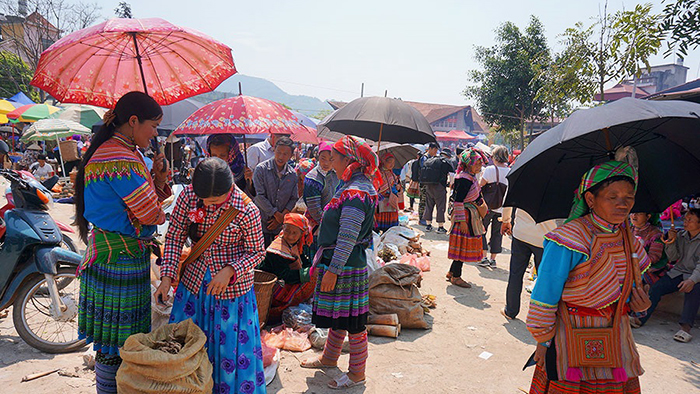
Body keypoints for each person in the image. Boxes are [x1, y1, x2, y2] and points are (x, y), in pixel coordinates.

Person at [526, 161, 651, 394]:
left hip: (617, 337)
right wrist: (543, 341)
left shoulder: (628, 239)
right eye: (612, 197)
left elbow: (632, 290)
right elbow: (545, 293)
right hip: (570, 335)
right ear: (591, 199)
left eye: (629, 197)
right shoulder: (569, 239)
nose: (622, 204)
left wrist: (640, 304)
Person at [74, 92, 171, 394]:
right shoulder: (121, 160)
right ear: (133, 122)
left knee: (110, 340)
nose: (155, 133)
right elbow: (152, 213)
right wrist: (157, 187)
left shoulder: (107, 151)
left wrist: (155, 177)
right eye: (153, 125)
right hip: (121, 262)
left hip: (107, 256)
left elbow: (140, 207)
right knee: (122, 341)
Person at [155, 157, 266, 393]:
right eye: (205, 200)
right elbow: (174, 237)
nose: (210, 204)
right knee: (185, 347)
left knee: (228, 353)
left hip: (231, 293)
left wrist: (231, 270)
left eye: (216, 200)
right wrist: (166, 278)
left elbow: (257, 252)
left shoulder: (246, 209)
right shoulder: (187, 197)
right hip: (193, 286)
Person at [300, 136, 379, 389]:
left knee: (353, 322)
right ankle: (329, 358)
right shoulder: (351, 184)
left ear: (348, 160)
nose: (330, 161)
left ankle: (357, 373)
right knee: (340, 315)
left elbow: (348, 236)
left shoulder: (356, 191)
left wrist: (334, 269)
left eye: (334, 157)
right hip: (340, 262)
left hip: (345, 265)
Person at [638, 209, 700, 343]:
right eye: (685, 219)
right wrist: (671, 242)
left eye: (690, 220)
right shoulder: (681, 235)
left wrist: (691, 280)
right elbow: (673, 257)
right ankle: (640, 318)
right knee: (657, 287)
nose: (685, 222)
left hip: (696, 275)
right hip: (678, 272)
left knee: (693, 292)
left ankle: (685, 328)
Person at [500, 207, 558, 320]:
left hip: (521, 233)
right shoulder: (559, 189)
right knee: (543, 279)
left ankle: (511, 310)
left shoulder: (523, 187)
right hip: (545, 238)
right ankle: (539, 316)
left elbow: (509, 201)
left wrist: (506, 220)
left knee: (515, 274)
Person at [257, 213, 316, 320]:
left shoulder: (295, 245)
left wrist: (310, 269)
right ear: (283, 229)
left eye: (294, 233)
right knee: (312, 278)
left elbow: (304, 261)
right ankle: (276, 311)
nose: (290, 235)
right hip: (270, 287)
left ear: (301, 235)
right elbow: (285, 276)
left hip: (281, 281)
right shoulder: (277, 250)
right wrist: (308, 273)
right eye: (287, 231)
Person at [446, 148, 488, 288]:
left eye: (480, 163)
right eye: (476, 163)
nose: (479, 166)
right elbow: (458, 201)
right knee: (462, 247)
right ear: (468, 164)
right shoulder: (465, 179)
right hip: (464, 216)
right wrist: (462, 221)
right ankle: (456, 277)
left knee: (461, 246)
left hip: (468, 215)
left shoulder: (469, 176)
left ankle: (452, 272)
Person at [253, 136, 298, 247]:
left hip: (280, 226)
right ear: (274, 150)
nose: (281, 156)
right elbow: (259, 196)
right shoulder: (261, 169)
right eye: (279, 152)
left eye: (285, 154)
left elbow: (293, 198)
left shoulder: (292, 175)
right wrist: (275, 213)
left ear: (291, 155)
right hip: (261, 222)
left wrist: (280, 218)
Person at [478, 145, 510, 268]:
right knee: (497, 233)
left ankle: (484, 256)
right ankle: (493, 260)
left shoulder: (490, 170)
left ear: (495, 157)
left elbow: (481, 185)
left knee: (482, 230)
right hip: (502, 209)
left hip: (488, 206)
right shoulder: (510, 171)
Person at [303, 141, 339, 230]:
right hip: (317, 225)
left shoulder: (336, 174)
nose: (326, 163)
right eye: (323, 158)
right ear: (318, 157)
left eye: (331, 159)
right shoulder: (312, 179)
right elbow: (315, 211)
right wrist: (328, 226)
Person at [421, 146, 455, 234]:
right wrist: (451, 184)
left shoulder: (431, 160)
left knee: (429, 205)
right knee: (440, 206)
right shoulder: (446, 161)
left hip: (429, 186)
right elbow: (452, 175)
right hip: (439, 186)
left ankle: (428, 225)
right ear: (447, 155)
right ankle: (440, 227)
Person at [631, 212, 667, 286]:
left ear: (648, 216)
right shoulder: (628, 230)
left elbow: (653, 258)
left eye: (639, 213)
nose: (634, 215)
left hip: (649, 268)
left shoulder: (655, 234)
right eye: (632, 212)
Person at [375, 152, 400, 232]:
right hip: (381, 201)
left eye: (393, 163)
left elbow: (398, 186)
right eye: (389, 162)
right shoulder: (378, 173)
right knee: (378, 222)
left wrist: (398, 187)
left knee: (390, 227)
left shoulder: (393, 174)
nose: (392, 165)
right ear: (383, 162)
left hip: (391, 201)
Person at [416, 142, 439, 226]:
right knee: (423, 200)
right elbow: (424, 169)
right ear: (430, 149)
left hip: (429, 183)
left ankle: (425, 218)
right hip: (424, 183)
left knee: (428, 201)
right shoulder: (424, 158)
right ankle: (421, 219)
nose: (435, 153)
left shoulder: (431, 158)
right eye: (435, 150)